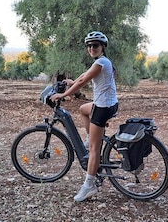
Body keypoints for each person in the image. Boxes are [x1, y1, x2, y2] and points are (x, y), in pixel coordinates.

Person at [50, 31, 118, 202]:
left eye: (95, 45)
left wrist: (63, 94)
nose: (91, 48)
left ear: (102, 47)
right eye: (89, 46)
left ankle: (89, 185)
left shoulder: (102, 62)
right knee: (82, 109)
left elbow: (83, 82)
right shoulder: (100, 62)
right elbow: (82, 77)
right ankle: (90, 138)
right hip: (106, 104)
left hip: (102, 108)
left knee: (95, 149)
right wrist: (72, 82)